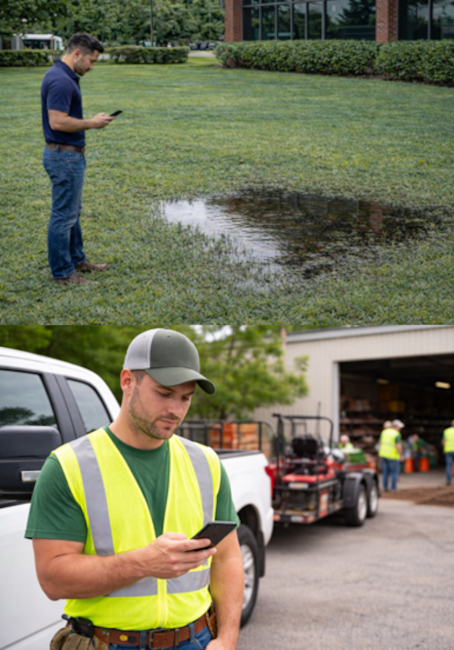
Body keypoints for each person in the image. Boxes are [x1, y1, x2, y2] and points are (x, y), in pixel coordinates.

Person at [26, 328, 243, 650]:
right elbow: (53, 580)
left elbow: (227, 558)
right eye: (165, 393)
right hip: (105, 643)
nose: (176, 410)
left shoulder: (207, 463)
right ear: (128, 381)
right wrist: (143, 563)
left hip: (195, 640)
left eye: (186, 397)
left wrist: (226, 638)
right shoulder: (68, 466)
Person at [41, 32, 115, 286]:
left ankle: (76, 259)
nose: (92, 67)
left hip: (68, 155)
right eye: (91, 61)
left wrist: (91, 121)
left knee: (72, 212)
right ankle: (63, 273)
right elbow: (57, 121)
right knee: (63, 215)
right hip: (64, 156)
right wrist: (92, 124)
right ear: (76, 54)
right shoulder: (61, 80)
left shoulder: (64, 76)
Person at [378, 419, 404, 491]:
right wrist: (401, 455)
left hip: (383, 455)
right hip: (393, 456)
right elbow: (398, 446)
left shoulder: (384, 432)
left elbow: (380, 443)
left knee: (385, 472)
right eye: (399, 427)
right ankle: (393, 488)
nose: (400, 429)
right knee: (394, 472)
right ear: (396, 427)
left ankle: (385, 487)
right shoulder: (396, 434)